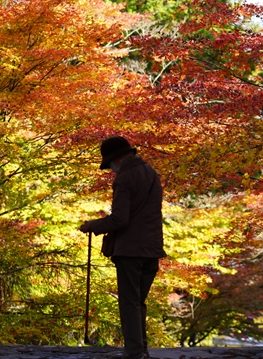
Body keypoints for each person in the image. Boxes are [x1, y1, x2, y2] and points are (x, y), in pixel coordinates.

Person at [80, 136, 166, 359]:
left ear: (116, 158)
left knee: (129, 302)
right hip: (153, 247)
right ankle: (141, 349)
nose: (111, 170)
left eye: (109, 165)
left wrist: (93, 225)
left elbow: (120, 219)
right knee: (139, 302)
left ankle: (135, 352)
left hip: (130, 250)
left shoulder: (124, 179)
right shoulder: (151, 173)